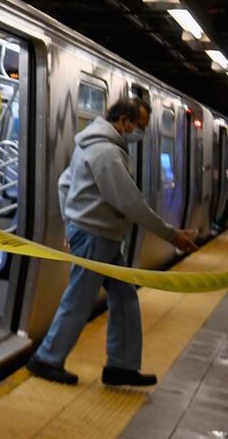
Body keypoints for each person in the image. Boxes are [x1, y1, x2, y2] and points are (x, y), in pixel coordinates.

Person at [26, 97, 198, 386]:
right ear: (125, 121)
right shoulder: (107, 152)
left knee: (124, 296)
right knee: (79, 299)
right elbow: (131, 203)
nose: (141, 133)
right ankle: (46, 359)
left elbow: (64, 184)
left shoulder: (90, 143)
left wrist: (71, 223)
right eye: (140, 126)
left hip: (99, 235)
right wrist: (172, 235)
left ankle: (121, 366)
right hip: (95, 235)